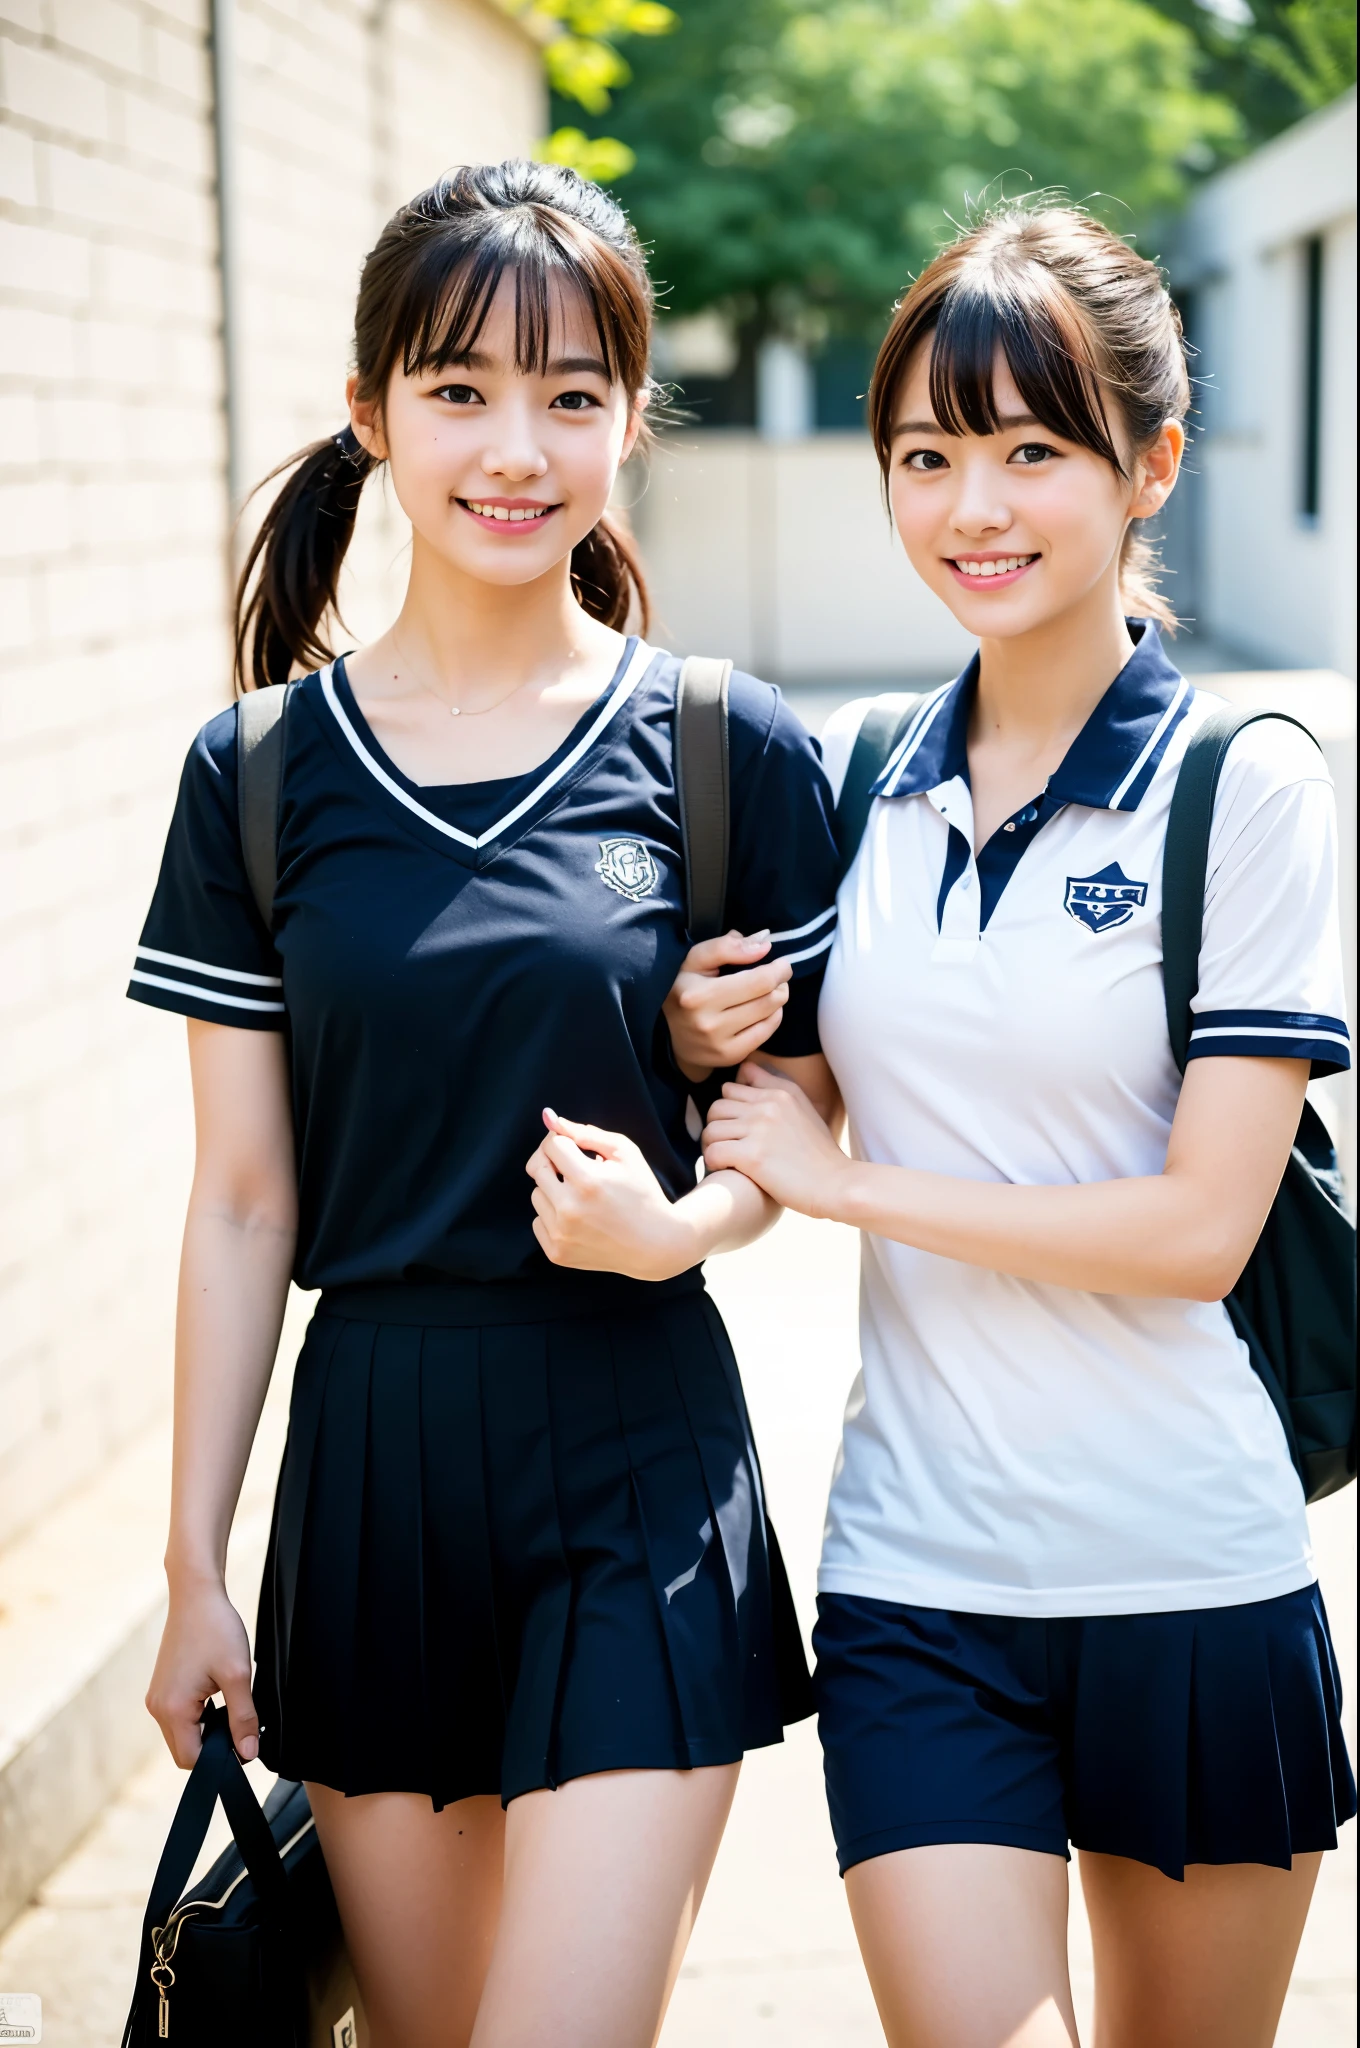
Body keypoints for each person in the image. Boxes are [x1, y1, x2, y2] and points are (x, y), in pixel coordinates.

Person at [128, 160, 841, 2048]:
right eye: (458, 393)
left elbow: (799, 1123)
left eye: (572, 395)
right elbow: (240, 1204)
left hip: (638, 1451)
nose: (516, 449)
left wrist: (680, 1219)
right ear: (371, 420)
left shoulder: (721, 744)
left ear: (630, 417)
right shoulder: (262, 774)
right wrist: (194, 1569)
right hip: (373, 1476)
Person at [696, 204, 1355, 2048]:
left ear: (1149, 463)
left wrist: (851, 1186)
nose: (972, 504)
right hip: (921, 1578)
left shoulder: (1248, 787)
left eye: (1030, 449)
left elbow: (1195, 1232)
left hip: (1193, 1576)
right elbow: (792, 1101)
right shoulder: (855, 779)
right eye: (925, 455)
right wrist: (720, 1051)